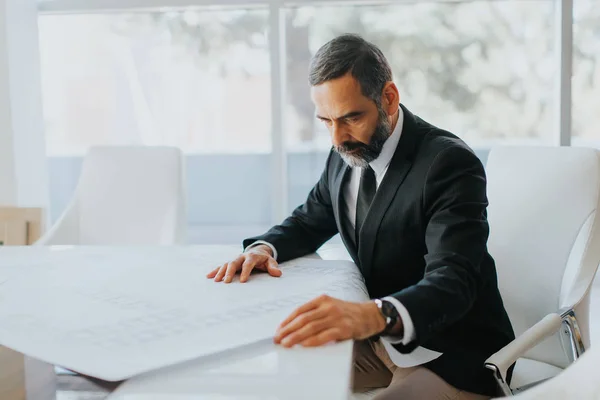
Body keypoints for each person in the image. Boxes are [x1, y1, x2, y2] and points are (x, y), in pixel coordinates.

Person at [206, 34, 515, 399]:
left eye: (351, 117)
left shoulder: (448, 164)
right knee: (272, 377)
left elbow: (454, 281)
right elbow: (309, 220)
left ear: (389, 98)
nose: (337, 138)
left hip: (453, 353)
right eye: (326, 121)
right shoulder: (346, 152)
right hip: (380, 342)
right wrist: (264, 249)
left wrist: (372, 316)